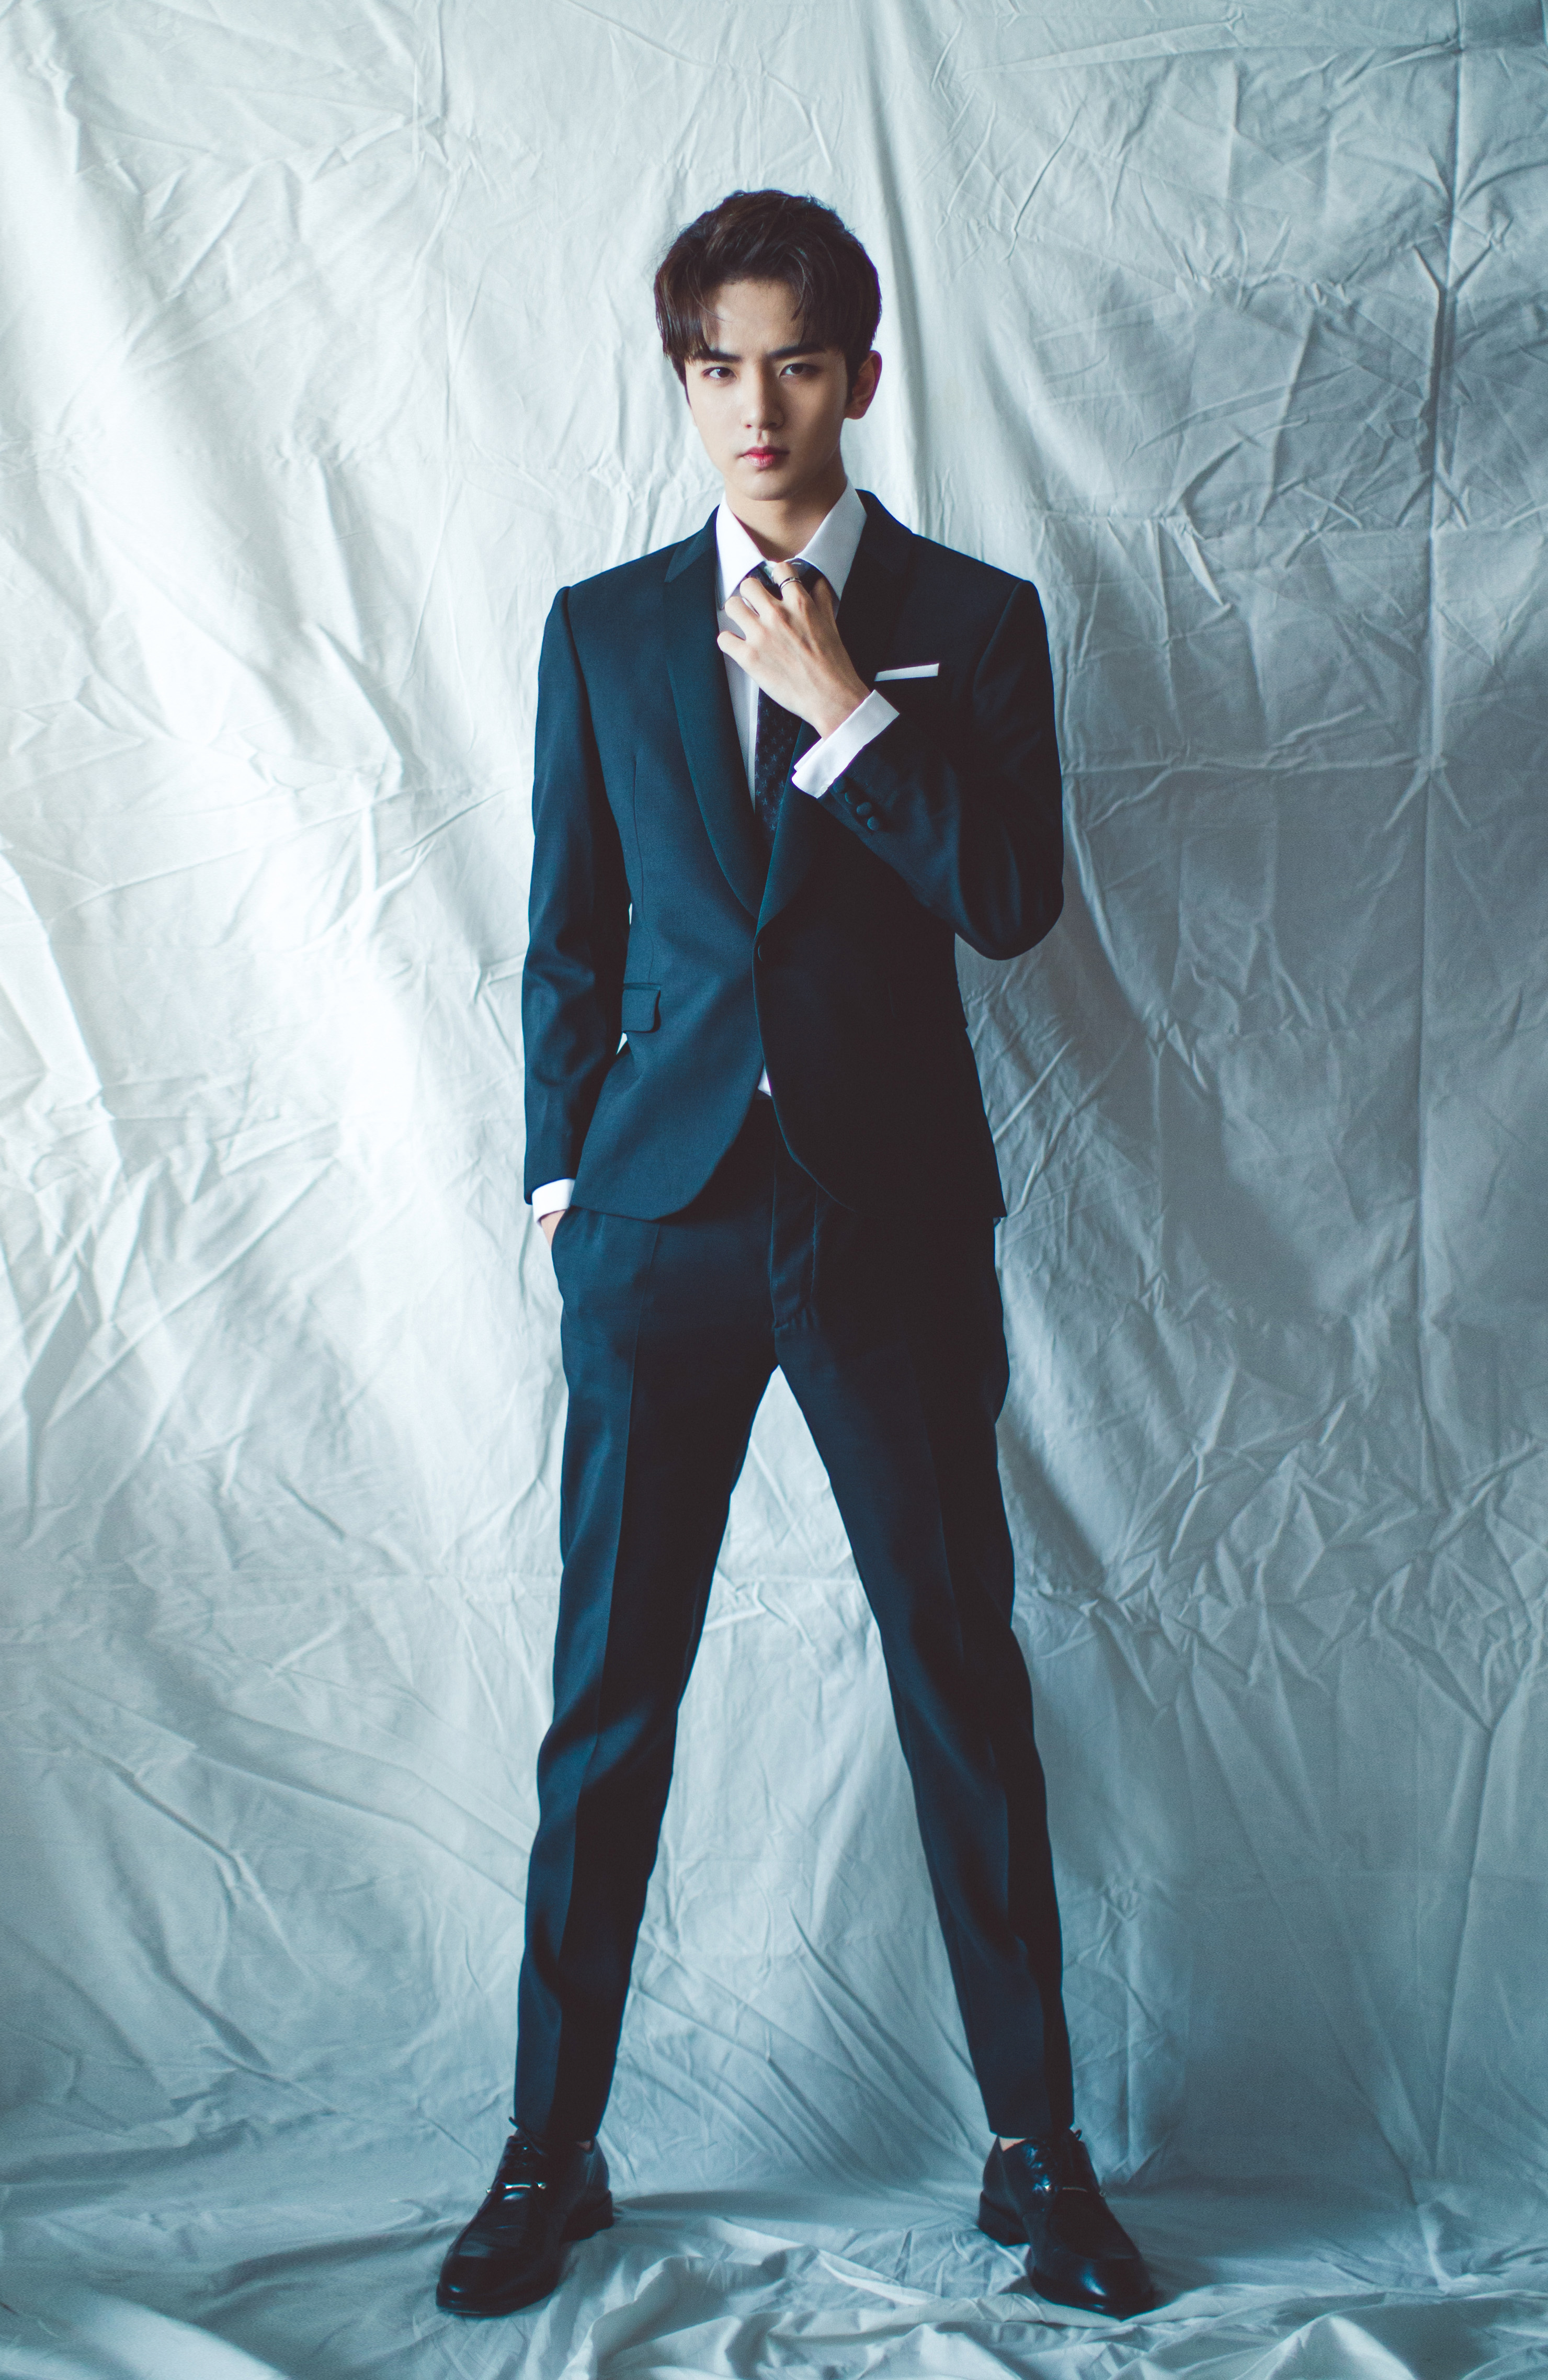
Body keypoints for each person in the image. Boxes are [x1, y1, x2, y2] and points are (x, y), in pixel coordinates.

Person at [436, 188, 1155, 2325]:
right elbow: (568, 937)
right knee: (607, 1703)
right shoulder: (602, 628)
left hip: (887, 1230)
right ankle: (547, 2151)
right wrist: (567, 1195)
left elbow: (1008, 900)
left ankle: (1035, 2154)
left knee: (958, 1678)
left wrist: (848, 713)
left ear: (860, 375)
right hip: (656, 1231)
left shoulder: (972, 619)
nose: (754, 408)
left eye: (794, 364)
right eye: (714, 368)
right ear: (684, 383)